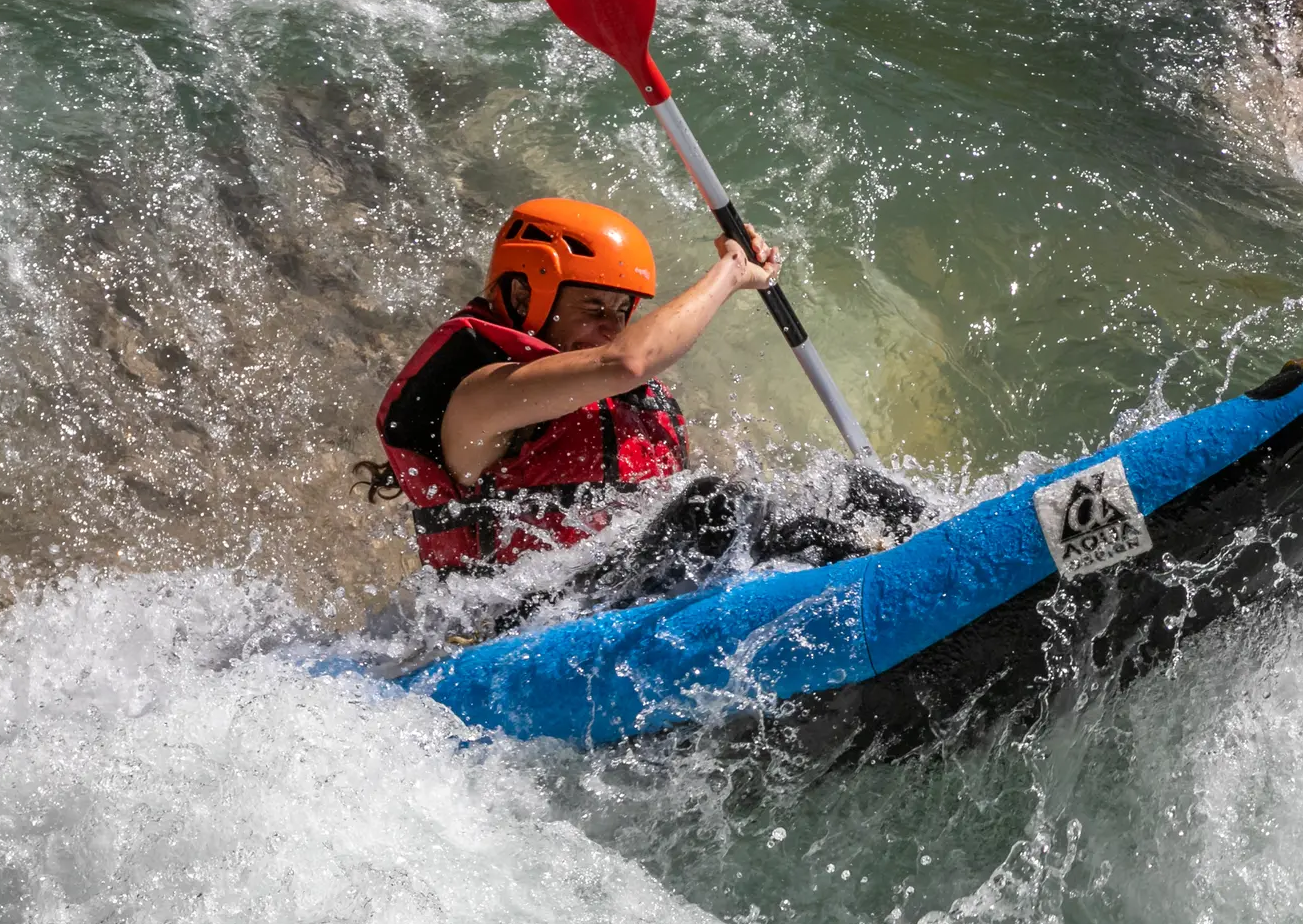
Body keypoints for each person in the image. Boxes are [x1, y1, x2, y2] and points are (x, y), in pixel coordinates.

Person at [360, 198, 920, 636]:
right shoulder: (482, 395)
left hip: (618, 597)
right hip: (517, 626)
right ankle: (892, 593)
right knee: (714, 508)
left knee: (853, 489)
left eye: (622, 313)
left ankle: (922, 554)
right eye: (592, 309)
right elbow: (627, 359)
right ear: (525, 292)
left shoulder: (611, 398)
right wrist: (730, 270)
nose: (611, 326)